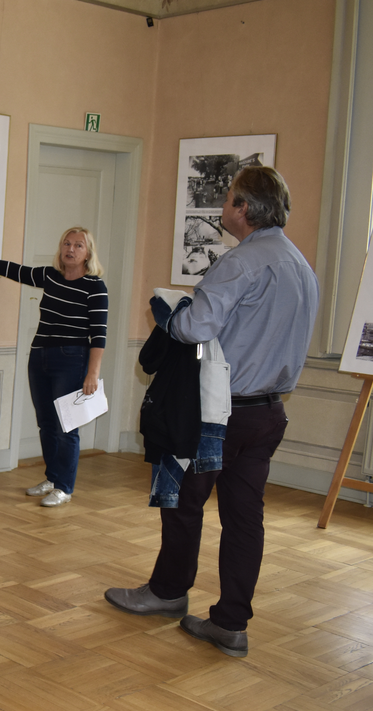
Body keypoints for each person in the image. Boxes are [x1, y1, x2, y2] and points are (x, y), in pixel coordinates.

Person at [105, 167, 318, 658]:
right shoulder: (300, 266)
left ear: (243, 208)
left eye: (227, 200)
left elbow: (196, 328)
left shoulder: (241, 262)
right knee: (246, 520)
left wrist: (169, 313)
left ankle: (166, 593)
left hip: (216, 413)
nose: (223, 208)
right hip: (268, 413)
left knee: (179, 501)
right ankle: (230, 623)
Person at [0, 228, 108, 507]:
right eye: (66, 243)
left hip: (72, 358)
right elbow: (15, 271)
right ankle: (52, 477)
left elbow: (99, 335)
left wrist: (92, 373)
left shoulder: (95, 287)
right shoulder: (50, 276)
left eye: (78, 245)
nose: (70, 249)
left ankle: (64, 487)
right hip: (40, 356)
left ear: (88, 253)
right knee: (46, 422)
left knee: (66, 426)